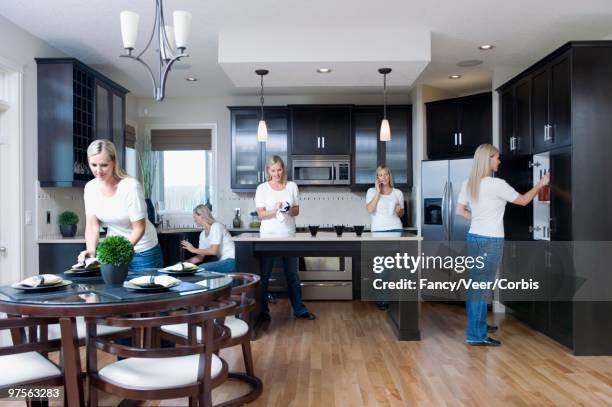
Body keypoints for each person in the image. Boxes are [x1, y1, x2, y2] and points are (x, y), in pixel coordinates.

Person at [456, 143, 550, 346]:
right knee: (481, 287)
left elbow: (460, 211)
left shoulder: (469, 183)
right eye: (497, 157)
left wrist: (479, 217)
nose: (499, 161)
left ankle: (478, 325)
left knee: (476, 286)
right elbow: (524, 200)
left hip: (474, 237)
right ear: (488, 159)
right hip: (491, 240)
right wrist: (541, 184)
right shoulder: (497, 185)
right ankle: (475, 334)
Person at [77, 139, 163, 271]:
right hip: (115, 251)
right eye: (93, 164)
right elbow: (92, 225)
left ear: (114, 163)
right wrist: (91, 251)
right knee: (114, 290)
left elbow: (139, 228)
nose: (98, 170)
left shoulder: (130, 187)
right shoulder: (90, 188)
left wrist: (120, 253)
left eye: (104, 165)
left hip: (142, 251)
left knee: (143, 290)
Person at [255, 155, 315, 321]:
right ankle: (262, 312)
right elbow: (260, 214)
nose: (277, 173)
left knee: (293, 275)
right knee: (264, 276)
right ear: (268, 171)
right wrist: (274, 210)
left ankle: (299, 309)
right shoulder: (262, 188)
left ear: (283, 169)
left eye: (279, 169)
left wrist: (288, 209)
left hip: (289, 236)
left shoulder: (292, 187)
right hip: (268, 237)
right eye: (273, 170)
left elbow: (296, 211)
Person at [180, 204, 236, 273]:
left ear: (202, 215)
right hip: (223, 261)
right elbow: (200, 257)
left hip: (232, 260)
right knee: (197, 269)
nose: (194, 219)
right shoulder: (202, 235)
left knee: (201, 268)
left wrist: (193, 249)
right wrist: (184, 263)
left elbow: (213, 251)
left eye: (195, 216)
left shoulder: (216, 226)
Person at [366, 165, 405, 232]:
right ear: (377, 178)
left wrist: (398, 211)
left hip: (396, 228)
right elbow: (370, 210)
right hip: (377, 229)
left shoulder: (398, 192)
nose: (383, 177)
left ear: (389, 175)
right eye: (380, 175)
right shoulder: (371, 191)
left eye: (386, 174)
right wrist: (378, 192)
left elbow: (401, 214)